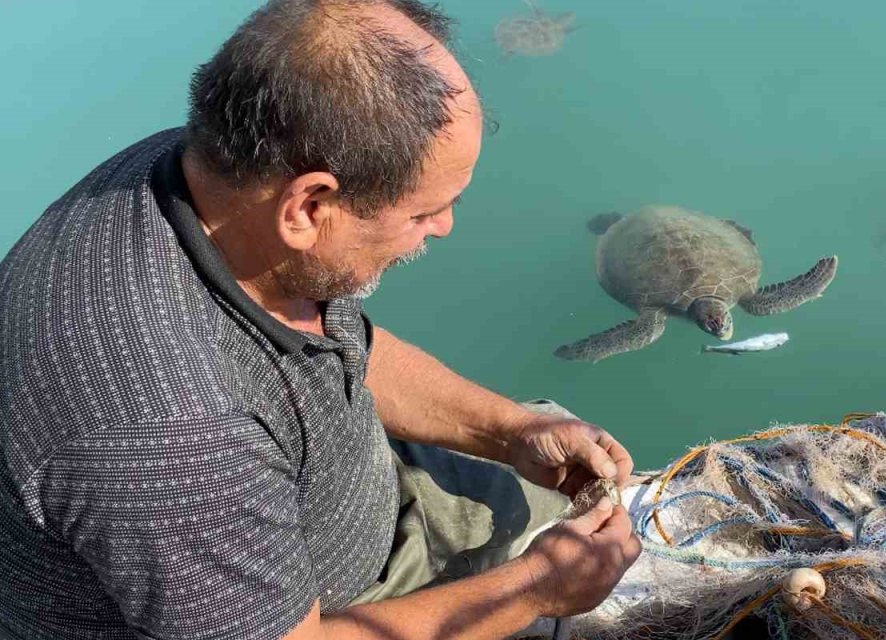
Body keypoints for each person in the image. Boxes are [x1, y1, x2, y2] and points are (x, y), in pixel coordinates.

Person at [0, 1, 641, 638]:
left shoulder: (207, 174)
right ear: (308, 205)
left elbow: (334, 347)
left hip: (349, 498)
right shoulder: (171, 434)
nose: (444, 228)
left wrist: (510, 431)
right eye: (423, 213)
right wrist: (534, 591)